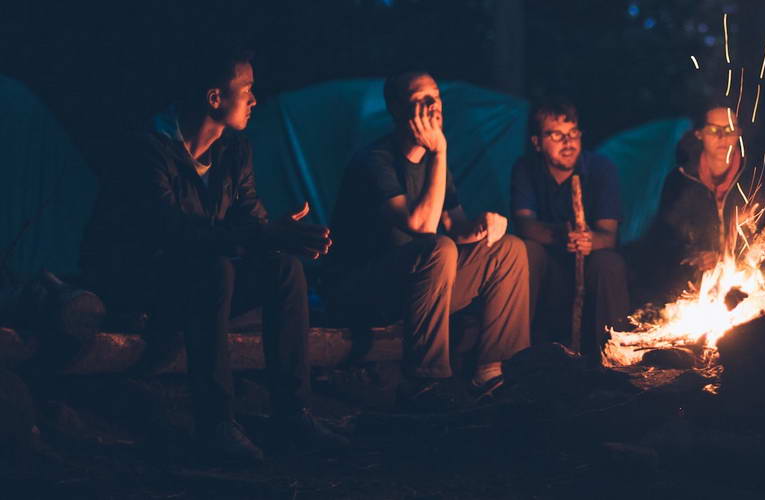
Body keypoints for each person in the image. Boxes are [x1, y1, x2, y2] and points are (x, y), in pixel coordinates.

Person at [79, 49, 344, 462]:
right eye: (248, 90)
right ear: (214, 97)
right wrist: (260, 232)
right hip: (142, 289)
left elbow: (248, 219)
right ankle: (216, 423)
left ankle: (293, 415)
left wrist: (278, 235)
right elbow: (171, 232)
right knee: (212, 269)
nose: (255, 100)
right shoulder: (148, 150)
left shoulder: (233, 150)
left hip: (203, 285)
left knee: (282, 268)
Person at [324, 71, 530, 409]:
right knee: (439, 247)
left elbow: (455, 224)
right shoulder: (375, 162)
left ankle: (493, 372)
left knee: (508, 250)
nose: (434, 106)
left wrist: (485, 225)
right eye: (421, 99)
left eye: (436, 96)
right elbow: (421, 224)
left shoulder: (436, 164)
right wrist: (439, 152)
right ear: (396, 109)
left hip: (422, 287)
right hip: (366, 290)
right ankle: (427, 381)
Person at [509, 98, 629, 359]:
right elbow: (524, 224)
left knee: (608, 263)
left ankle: (614, 358)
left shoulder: (600, 168)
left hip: (589, 267)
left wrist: (588, 241)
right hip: (549, 270)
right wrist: (559, 235)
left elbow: (609, 236)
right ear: (537, 142)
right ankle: (518, 355)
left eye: (573, 133)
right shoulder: (526, 169)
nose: (568, 142)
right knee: (525, 251)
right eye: (557, 135)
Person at [633, 102, 765, 302]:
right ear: (699, 134)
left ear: (739, 133)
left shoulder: (756, 178)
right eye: (714, 130)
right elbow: (666, 238)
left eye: (729, 129)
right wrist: (695, 254)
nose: (722, 137)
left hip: (748, 277)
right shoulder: (680, 180)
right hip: (696, 283)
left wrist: (730, 257)